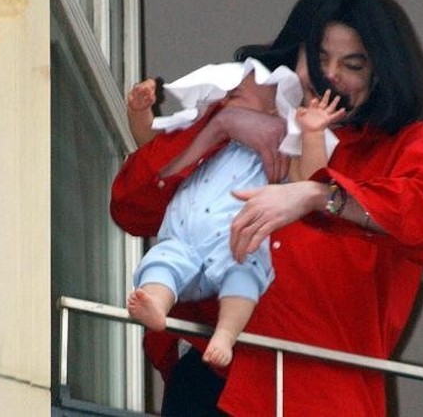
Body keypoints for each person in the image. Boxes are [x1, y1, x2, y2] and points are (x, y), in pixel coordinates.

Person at [111, 0, 423, 416]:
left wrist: (317, 196)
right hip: (216, 381)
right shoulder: (250, 113)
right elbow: (131, 206)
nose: (330, 75)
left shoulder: (403, 148)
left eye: (352, 64)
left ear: (379, 74)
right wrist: (222, 128)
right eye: (319, 58)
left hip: (319, 396)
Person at [125, 57, 346, 368]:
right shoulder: (207, 139)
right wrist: (139, 112)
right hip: (182, 240)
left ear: (274, 106)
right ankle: (156, 307)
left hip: (237, 243)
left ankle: (225, 336)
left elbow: (308, 179)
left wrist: (310, 133)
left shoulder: (283, 146)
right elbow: (151, 147)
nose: (228, 95)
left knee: (246, 273)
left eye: (240, 89)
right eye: (225, 93)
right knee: (161, 261)